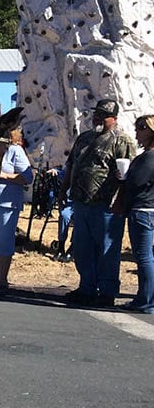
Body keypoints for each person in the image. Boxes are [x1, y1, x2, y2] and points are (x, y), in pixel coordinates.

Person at [61, 99, 136, 307]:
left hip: (107, 206)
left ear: (115, 118)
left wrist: (121, 200)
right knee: (82, 248)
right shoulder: (84, 138)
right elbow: (71, 165)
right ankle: (87, 287)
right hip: (81, 202)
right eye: (97, 114)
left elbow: (126, 175)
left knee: (107, 249)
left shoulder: (122, 141)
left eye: (104, 115)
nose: (99, 118)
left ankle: (107, 291)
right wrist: (63, 189)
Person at [0, 126, 34, 298]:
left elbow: (28, 177)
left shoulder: (15, 151)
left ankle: (3, 279)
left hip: (7, 202)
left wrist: (3, 176)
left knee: (4, 240)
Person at [117, 114, 154, 313]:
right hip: (150, 208)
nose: (137, 132)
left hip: (142, 210)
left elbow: (136, 182)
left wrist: (124, 176)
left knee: (144, 257)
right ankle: (146, 298)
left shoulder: (147, 157)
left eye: (141, 128)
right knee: (148, 256)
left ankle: (146, 300)